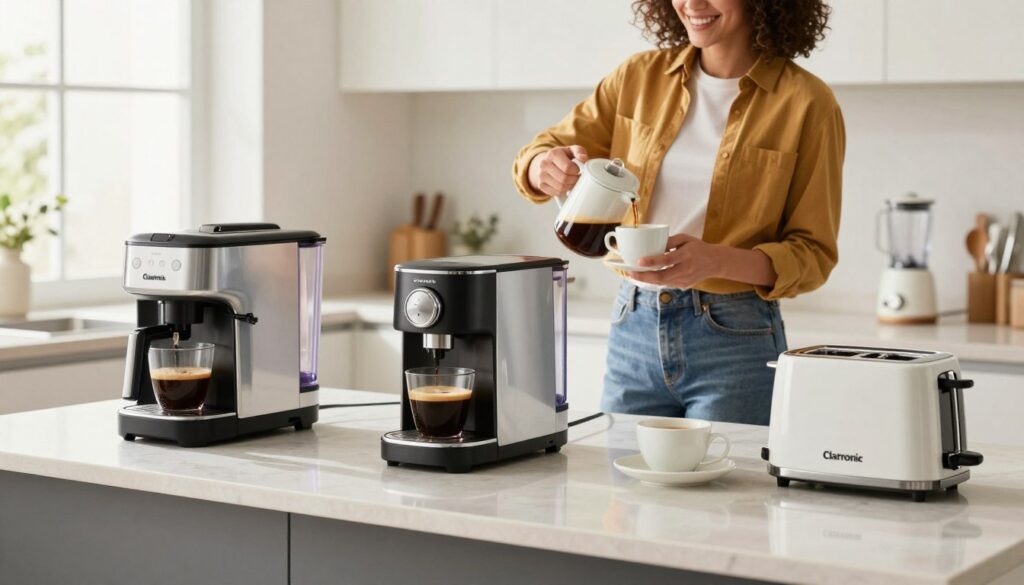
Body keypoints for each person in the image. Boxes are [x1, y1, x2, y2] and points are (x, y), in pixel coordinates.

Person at [511, 0, 844, 425]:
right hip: (632, 326)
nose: (692, 4)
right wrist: (543, 167)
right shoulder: (637, 78)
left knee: (731, 490)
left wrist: (715, 259)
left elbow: (813, 254)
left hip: (736, 340)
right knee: (622, 487)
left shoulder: (808, 103)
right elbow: (544, 149)